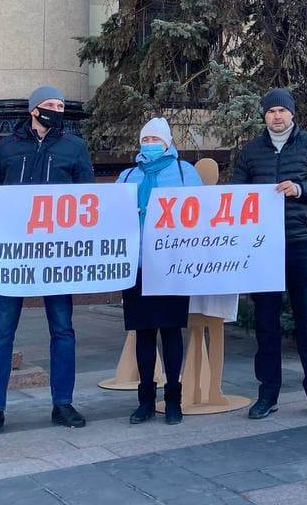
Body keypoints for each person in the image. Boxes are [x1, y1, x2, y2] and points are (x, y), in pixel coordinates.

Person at [0, 86, 95, 438]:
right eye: (51, 104)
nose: (58, 109)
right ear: (34, 110)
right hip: (16, 257)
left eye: (61, 104)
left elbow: (87, 195)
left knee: (63, 330)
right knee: (1, 334)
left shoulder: (75, 147)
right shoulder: (8, 146)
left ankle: (63, 404)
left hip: (57, 255)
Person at [231, 88, 307, 420]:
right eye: (270, 111)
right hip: (263, 249)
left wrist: (301, 189)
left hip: (300, 243)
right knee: (266, 323)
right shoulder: (250, 151)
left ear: (292, 113)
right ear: (263, 116)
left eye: (282, 110)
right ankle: (267, 394)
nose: (277, 116)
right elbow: (237, 193)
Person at [115, 117, 201, 424]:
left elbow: (200, 212)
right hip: (136, 267)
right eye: (145, 140)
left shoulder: (184, 173)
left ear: (167, 143)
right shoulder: (127, 176)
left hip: (171, 265)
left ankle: (173, 398)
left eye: (155, 140)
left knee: (171, 331)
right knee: (144, 333)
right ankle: (145, 399)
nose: (149, 144)